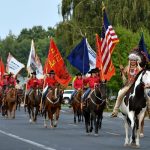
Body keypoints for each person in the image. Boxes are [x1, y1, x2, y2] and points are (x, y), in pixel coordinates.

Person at [111, 51, 145, 117]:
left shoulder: (139, 68)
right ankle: (115, 110)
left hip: (137, 86)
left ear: (136, 61)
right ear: (130, 61)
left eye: (134, 60)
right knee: (120, 94)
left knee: (147, 95)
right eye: (131, 60)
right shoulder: (127, 68)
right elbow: (123, 76)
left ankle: (148, 110)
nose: (132, 61)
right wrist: (121, 70)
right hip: (129, 85)